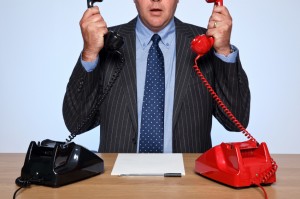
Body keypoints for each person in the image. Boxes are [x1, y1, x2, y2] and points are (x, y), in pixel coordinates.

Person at [63, 0, 250, 153]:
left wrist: (223, 50)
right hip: (118, 185)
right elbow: (76, 124)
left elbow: (236, 122)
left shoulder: (206, 42)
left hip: (189, 184)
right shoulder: (104, 42)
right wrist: (90, 52)